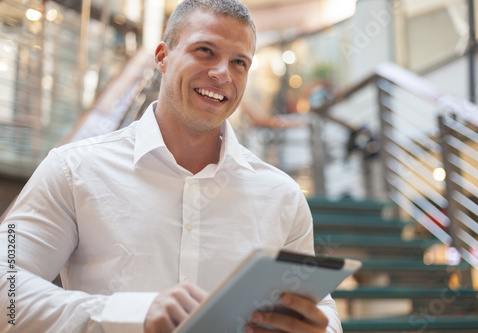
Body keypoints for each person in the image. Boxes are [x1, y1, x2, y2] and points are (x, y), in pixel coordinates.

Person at [0, 0, 342, 332]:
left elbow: (321, 308)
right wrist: (132, 314)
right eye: (205, 51)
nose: (222, 73)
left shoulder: (282, 195)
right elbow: (6, 286)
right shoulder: (71, 170)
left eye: (239, 62)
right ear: (162, 58)